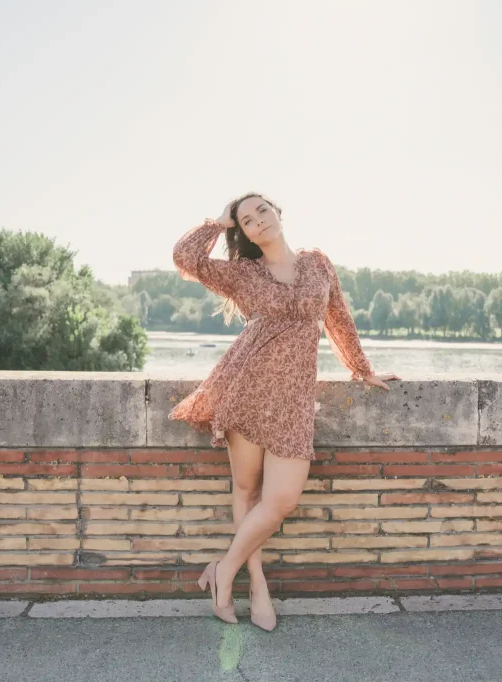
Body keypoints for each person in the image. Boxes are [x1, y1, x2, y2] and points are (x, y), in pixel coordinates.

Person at [168, 193, 400, 631]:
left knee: (279, 502)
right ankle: (257, 585)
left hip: (293, 398)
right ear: (244, 233)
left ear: (278, 212)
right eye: (247, 221)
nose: (258, 222)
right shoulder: (242, 273)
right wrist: (218, 223)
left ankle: (223, 570)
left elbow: (338, 318)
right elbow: (185, 257)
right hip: (249, 387)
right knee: (246, 489)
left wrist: (360, 368)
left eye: (262, 211)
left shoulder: (317, 263)